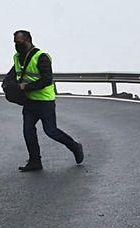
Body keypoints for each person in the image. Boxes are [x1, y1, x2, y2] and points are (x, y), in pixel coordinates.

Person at [8, 30, 84, 172]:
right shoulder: (17, 58)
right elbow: (13, 75)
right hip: (29, 102)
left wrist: (27, 87)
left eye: (19, 42)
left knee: (51, 131)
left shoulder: (41, 57)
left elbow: (47, 79)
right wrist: (9, 87)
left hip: (45, 101)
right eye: (15, 42)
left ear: (28, 40)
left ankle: (75, 147)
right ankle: (35, 161)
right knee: (28, 131)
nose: (17, 45)